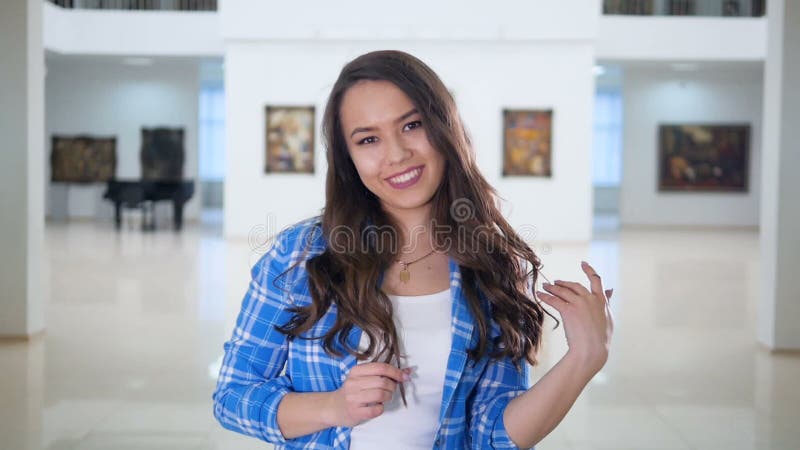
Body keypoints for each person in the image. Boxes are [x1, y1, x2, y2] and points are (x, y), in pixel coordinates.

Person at [212, 50, 614, 450]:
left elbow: (491, 437)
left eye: (412, 125)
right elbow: (232, 396)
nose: (397, 154)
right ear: (348, 158)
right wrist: (334, 407)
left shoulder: (492, 265)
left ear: (444, 128)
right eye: (368, 139)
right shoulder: (301, 255)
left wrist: (584, 360)